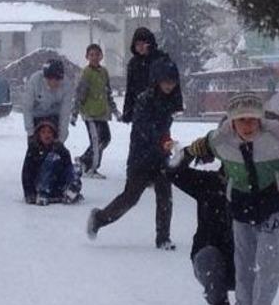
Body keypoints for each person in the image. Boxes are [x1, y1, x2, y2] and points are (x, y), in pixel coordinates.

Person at [183, 92, 279, 305]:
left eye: (252, 119)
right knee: (244, 260)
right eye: (241, 120)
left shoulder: (276, 139)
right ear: (231, 122)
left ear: (261, 120)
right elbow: (203, 146)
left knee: (268, 260)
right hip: (241, 205)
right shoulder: (221, 142)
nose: (248, 126)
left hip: (273, 204)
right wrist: (188, 152)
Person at [86, 58, 181, 250]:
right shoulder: (144, 100)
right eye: (165, 81)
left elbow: (163, 128)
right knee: (131, 197)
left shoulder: (171, 100)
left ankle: (163, 238)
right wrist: (162, 140)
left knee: (165, 196)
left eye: (172, 82)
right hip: (141, 157)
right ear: (157, 80)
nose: (169, 85)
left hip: (160, 157)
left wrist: (167, 142)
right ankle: (99, 218)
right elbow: (144, 128)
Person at [165, 146, 235, 305]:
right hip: (212, 255)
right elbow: (173, 171)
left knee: (264, 256)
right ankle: (220, 303)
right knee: (207, 257)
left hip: (247, 258)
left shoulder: (258, 187)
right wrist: (192, 151)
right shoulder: (209, 183)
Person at [71, 43, 120, 179]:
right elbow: (79, 94)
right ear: (87, 57)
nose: (95, 57)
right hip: (90, 114)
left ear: (101, 56)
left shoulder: (104, 72)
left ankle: (83, 160)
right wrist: (75, 113)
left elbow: (108, 93)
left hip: (102, 114)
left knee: (105, 139)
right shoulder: (86, 73)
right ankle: (91, 168)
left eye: (97, 54)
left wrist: (115, 111)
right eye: (91, 55)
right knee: (96, 141)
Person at [122, 27, 183, 124]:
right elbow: (130, 89)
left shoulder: (161, 59)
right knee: (140, 131)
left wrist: (176, 104)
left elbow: (173, 81)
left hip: (160, 106)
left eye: (143, 44)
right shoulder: (133, 64)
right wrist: (128, 111)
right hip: (140, 108)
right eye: (137, 44)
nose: (140, 47)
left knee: (160, 131)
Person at [21, 120, 83, 205]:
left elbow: (67, 165)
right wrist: (29, 193)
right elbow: (26, 172)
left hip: (56, 184)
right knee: (52, 158)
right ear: (39, 135)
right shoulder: (34, 149)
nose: (47, 135)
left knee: (75, 168)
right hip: (40, 184)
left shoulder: (59, 148)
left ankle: (71, 190)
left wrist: (63, 153)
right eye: (43, 132)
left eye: (49, 132)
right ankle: (43, 193)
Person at [22, 59, 73, 143]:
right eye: (50, 79)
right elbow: (27, 107)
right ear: (45, 77)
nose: (54, 82)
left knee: (55, 146)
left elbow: (65, 113)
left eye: (58, 79)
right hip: (36, 116)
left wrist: (61, 139)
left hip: (54, 117)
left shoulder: (66, 86)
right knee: (35, 146)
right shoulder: (35, 81)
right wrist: (30, 133)